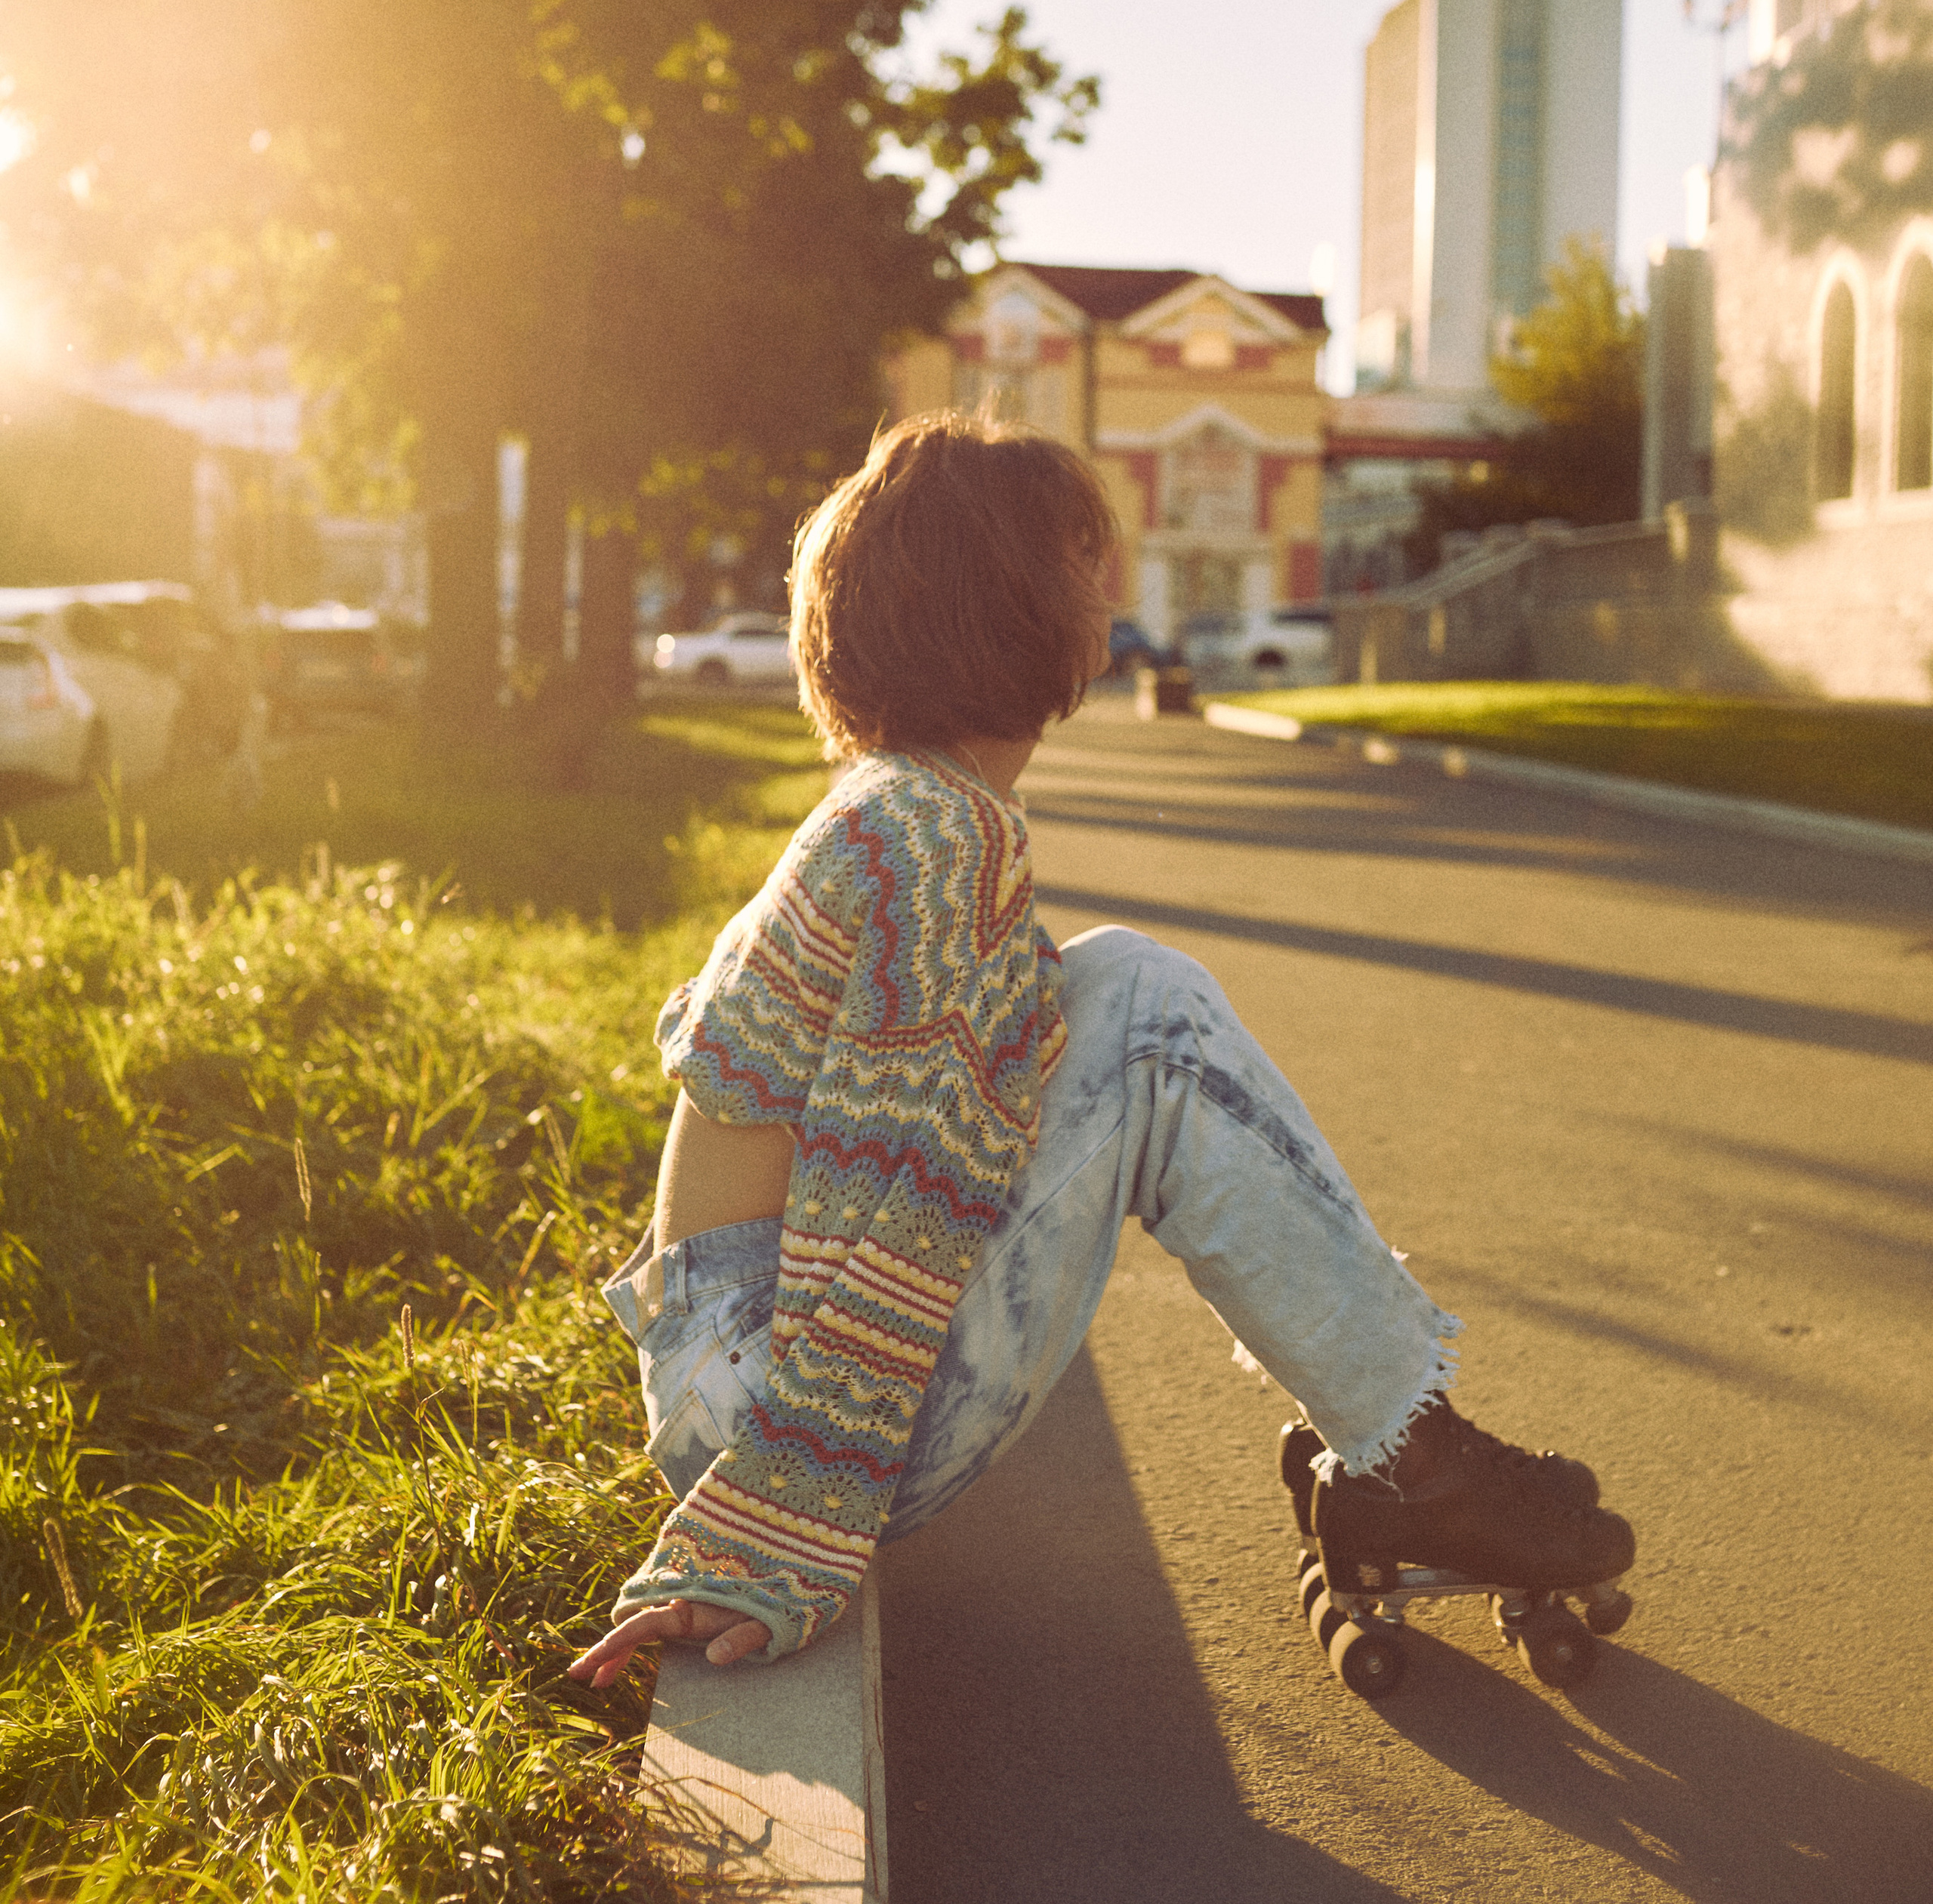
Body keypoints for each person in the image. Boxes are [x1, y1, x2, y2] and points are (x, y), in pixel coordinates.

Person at [567, 415, 1633, 1685]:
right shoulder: (934, 834)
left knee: (1125, 993)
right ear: (1007, 604)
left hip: (730, 1370)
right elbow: (892, 1212)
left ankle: (1403, 1448)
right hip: (766, 1404)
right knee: (1150, 1020)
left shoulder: (902, 808)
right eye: (1079, 566)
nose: (1106, 597)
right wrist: (770, 1540)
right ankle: (1415, 1463)